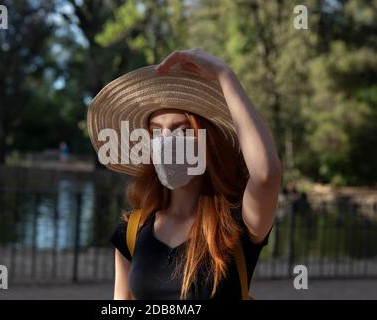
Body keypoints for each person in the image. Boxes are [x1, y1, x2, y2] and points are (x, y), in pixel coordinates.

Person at [87, 48, 282, 299]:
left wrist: (225, 76)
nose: (167, 142)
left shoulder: (238, 222)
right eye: (157, 131)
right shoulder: (132, 230)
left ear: (206, 141)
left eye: (180, 130)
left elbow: (267, 173)